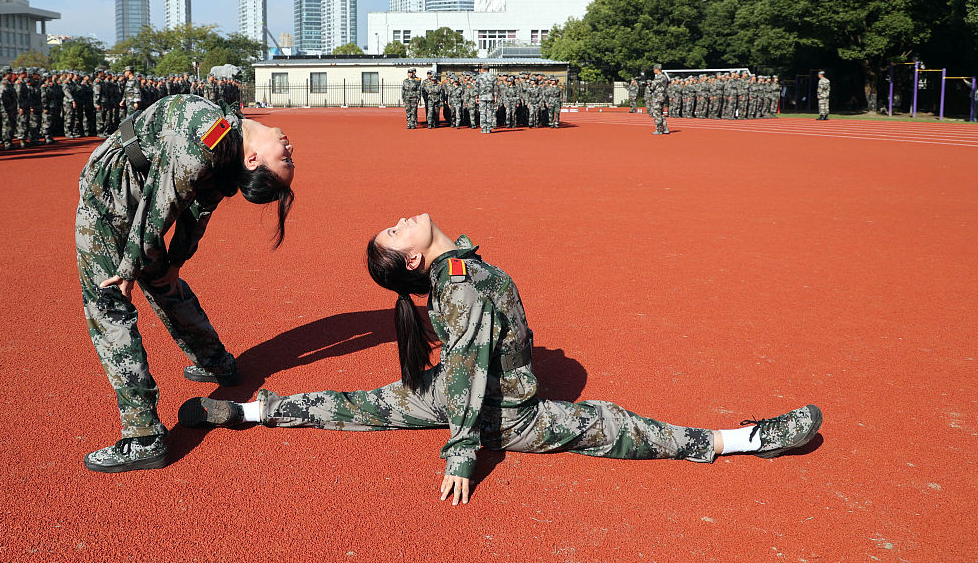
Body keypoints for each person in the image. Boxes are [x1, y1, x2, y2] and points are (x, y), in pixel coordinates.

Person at [180, 213, 823, 505]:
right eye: (395, 231)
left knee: (350, 406)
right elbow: (466, 367)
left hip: (446, 392)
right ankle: (740, 439)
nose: (403, 218)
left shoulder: (457, 268)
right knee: (617, 425)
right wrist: (463, 450)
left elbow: (458, 358)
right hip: (501, 413)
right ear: (412, 261)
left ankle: (243, 412)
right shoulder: (459, 283)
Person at [77, 94, 296, 473]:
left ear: (253, 160)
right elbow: (194, 211)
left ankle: (143, 436)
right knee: (162, 280)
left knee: (108, 303)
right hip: (134, 189)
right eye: (289, 156)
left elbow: (163, 206)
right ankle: (216, 363)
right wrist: (170, 263)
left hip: (116, 189)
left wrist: (132, 268)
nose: (290, 147)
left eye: (285, 158)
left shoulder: (208, 139)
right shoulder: (225, 142)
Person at [649, 64, 670, 135]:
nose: (654, 70)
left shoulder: (658, 77)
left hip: (657, 97)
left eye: (654, 69)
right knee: (661, 113)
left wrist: (649, 84)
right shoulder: (664, 77)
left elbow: (652, 87)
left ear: (657, 69)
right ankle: (665, 128)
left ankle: (659, 129)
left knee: (657, 113)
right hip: (663, 97)